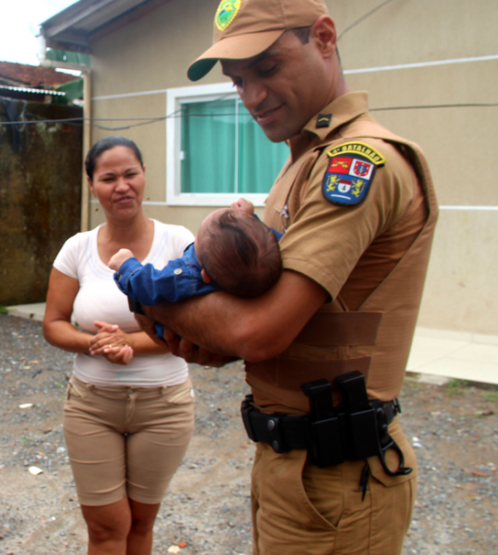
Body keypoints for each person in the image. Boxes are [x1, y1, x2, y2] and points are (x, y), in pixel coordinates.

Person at [138, 1, 438, 554]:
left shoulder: (355, 161)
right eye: (238, 81)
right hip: (298, 466)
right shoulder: (301, 162)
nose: (252, 96)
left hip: (340, 478)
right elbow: (270, 325)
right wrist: (214, 336)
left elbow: (259, 330)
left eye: (267, 68)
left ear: (323, 37)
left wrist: (148, 294)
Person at [42, 136, 196, 555]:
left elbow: (195, 330)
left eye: (130, 174)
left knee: (142, 523)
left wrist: (128, 341)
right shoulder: (77, 248)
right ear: (92, 185)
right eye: (108, 177)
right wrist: (97, 344)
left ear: (144, 176)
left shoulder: (179, 242)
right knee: (108, 526)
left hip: (164, 405)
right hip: (92, 405)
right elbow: (53, 324)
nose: (122, 185)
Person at [108, 198, 282, 338]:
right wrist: (248, 218)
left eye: (198, 239)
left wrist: (125, 264)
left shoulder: (188, 275)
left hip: (178, 335)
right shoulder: (257, 262)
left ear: (205, 275)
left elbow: (148, 285)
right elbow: (257, 242)